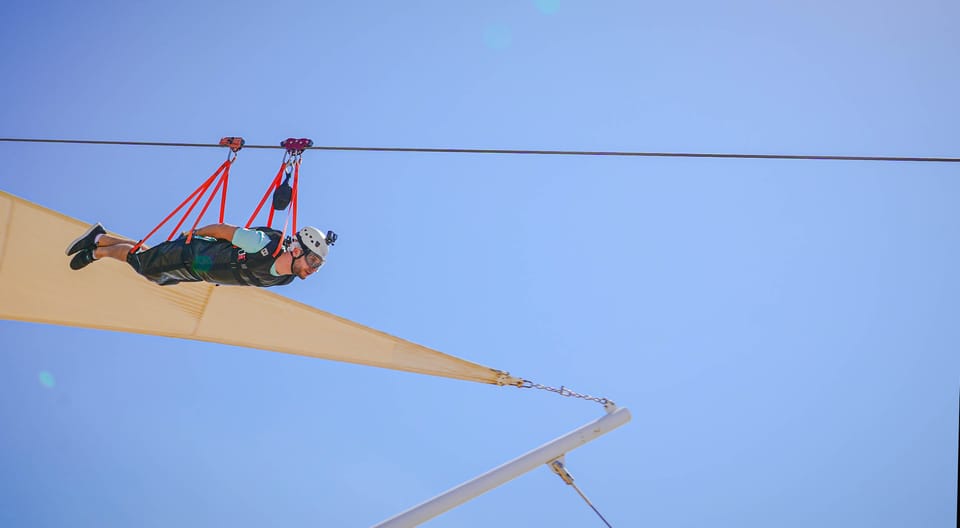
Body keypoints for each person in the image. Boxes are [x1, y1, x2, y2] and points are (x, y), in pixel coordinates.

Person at [66, 222, 335, 287]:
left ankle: (99, 238)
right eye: (313, 260)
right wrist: (194, 233)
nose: (313, 268)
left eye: (318, 266)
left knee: (155, 272)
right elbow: (223, 230)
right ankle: (97, 248)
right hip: (198, 256)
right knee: (145, 264)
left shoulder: (284, 279)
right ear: (298, 250)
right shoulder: (261, 243)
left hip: (200, 271)